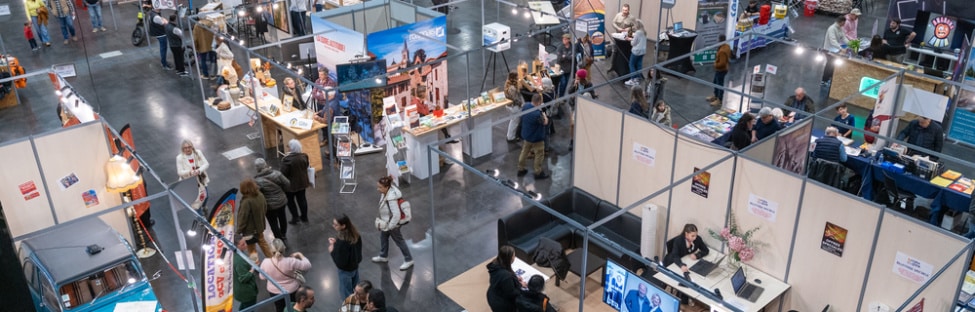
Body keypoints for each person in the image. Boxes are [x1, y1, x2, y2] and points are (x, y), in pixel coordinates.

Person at [372, 175, 414, 270]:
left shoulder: (391, 199)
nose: (378, 189)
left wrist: (390, 226)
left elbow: (396, 215)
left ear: (386, 187)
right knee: (383, 237)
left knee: (399, 241)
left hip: (392, 225)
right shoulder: (386, 192)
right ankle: (383, 256)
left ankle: (409, 259)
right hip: (387, 222)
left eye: (380, 187)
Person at [260, 239, 312, 312]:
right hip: (292, 290)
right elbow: (307, 265)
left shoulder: (265, 262)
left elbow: (262, 277)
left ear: (271, 250)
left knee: (280, 309)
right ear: (284, 249)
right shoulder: (290, 261)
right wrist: (300, 254)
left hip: (274, 292)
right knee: (295, 307)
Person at [254, 158, 290, 241]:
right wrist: (282, 191)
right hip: (281, 201)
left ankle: (279, 239)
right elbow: (287, 183)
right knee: (282, 217)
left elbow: (257, 195)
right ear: (265, 164)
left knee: (273, 223)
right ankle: (283, 234)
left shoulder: (257, 181)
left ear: (257, 168)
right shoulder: (277, 174)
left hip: (269, 206)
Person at [330, 214, 363, 300]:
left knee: (346, 293)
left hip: (345, 271)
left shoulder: (342, 241)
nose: (333, 226)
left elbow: (341, 262)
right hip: (355, 267)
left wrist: (332, 250)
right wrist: (336, 243)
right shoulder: (355, 235)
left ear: (343, 226)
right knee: (357, 289)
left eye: (336, 224)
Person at [517, 94, 550, 179]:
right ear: (539, 102)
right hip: (536, 138)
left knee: (524, 152)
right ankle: (538, 172)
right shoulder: (537, 114)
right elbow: (545, 122)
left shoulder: (526, 106)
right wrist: (544, 115)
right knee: (539, 154)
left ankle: (521, 169)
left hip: (526, 135)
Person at [238, 179, 273, 257]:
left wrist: (238, 231)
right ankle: (272, 259)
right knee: (263, 242)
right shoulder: (260, 195)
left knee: (251, 248)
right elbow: (265, 207)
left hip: (249, 230)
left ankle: (256, 266)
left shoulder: (246, 201)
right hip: (259, 226)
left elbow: (243, 218)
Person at [486, 245, 525, 312]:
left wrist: (514, 279)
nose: (514, 257)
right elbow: (511, 293)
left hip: (493, 294)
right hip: (502, 304)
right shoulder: (506, 276)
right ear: (509, 258)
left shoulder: (496, 264)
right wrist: (520, 285)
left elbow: (502, 281)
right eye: (513, 256)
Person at [281, 139, 311, 224]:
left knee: (290, 202)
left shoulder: (287, 160)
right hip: (302, 183)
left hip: (291, 186)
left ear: (291, 148)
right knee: (302, 200)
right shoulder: (304, 156)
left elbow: (283, 173)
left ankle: (295, 217)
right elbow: (307, 166)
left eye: (288, 147)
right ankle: (304, 217)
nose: (288, 148)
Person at [176, 139, 210, 209]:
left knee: (206, 196)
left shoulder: (198, 153)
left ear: (192, 147)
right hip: (190, 182)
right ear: (182, 149)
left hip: (201, 179)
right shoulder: (179, 158)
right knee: (197, 201)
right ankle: (199, 216)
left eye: (189, 147)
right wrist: (189, 172)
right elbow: (179, 172)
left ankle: (204, 206)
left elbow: (206, 164)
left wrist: (199, 170)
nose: (187, 149)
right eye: (185, 148)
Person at [233, 235, 259, 310]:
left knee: (245, 306)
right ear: (237, 246)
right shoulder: (239, 261)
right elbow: (243, 278)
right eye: (243, 244)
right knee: (250, 308)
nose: (246, 245)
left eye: (245, 242)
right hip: (246, 292)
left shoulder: (235, 254)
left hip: (239, 291)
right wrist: (253, 269)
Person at [706, 34, 731, 106]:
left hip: (721, 70)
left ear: (720, 40)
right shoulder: (727, 46)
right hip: (723, 69)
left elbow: (722, 63)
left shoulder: (722, 51)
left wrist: (715, 64)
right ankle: (716, 96)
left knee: (719, 84)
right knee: (715, 82)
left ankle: (719, 100)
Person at [822, 16, 848, 84]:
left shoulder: (840, 28)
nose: (844, 24)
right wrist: (841, 48)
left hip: (835, 50)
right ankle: (824, 80)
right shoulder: (832, 28)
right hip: (828, 50)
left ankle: (829, 78)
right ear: (841, 22)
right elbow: (832, 41)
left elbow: (843, 37)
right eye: (844, 23)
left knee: (833, 64)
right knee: (829, 64)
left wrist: (850, 43)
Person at [145, 3, 170, 69]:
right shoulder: (156, 17)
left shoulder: (152, 13)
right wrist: (165, 20)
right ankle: (164, 64)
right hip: (161, 34)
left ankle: (164, 62)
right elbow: (165, 23)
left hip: (159, 33)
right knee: (163, 49)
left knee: (163, 49)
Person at [504, 71, 524, 142]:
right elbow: (516, 99)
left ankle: (510, 136)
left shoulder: (508, 84)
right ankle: (511, 138)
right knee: (514, 122)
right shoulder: (512, 88)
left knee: (513, 121)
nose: (518, 77)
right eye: (517, 76)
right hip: (514, 107)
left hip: (510, 106)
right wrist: (521, 104)